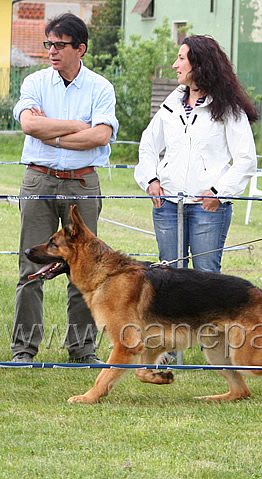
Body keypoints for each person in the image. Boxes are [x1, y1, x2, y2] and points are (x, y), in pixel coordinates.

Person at [135, 35, 258, 365]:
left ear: (200, 65)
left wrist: (219, 192)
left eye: (181, 59)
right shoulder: (169, 105)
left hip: (209, 208)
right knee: (167, 280)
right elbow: (147, 149)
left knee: (207, 277)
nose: (175, 65)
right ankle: (169, 353)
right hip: (167, 206)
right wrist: (151, 179)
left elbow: (246, 159)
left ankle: (214, 354)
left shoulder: (228, 109)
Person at [11, 13, 118, 363]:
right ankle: (24, 350)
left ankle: (82, 349)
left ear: (80, 48)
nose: (52, 51)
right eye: (49, 44)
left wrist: (50, 133)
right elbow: (29, 125)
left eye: (60, 45)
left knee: (85, 269)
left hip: (82, 184)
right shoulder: (35, 82)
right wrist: (74, 127)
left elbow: (100, 135)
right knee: (31, 266)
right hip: (39, 181)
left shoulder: (101, 88)